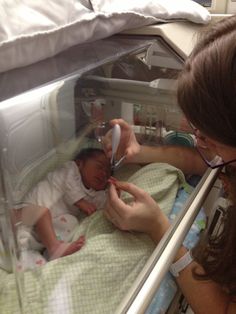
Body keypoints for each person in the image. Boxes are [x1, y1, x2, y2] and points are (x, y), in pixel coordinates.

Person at [103, 15, 236, 314]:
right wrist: (139, 152)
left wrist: (160, 229)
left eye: (207, 135)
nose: (196, 137)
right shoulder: (226, 157)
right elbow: (205, 161)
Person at [16, 148, 111, 261]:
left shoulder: (93, 194)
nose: (103, 174)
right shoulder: (70, 170)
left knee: (72, 222)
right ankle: (54, 248)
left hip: (39, 236)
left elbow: (102, 204)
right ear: (79, 163)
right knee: (42, 213)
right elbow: (68, 184)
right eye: (99, 167)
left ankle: (50, 252)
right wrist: (80, 202)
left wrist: (113, 193)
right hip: (26, 214)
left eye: (107, 174)